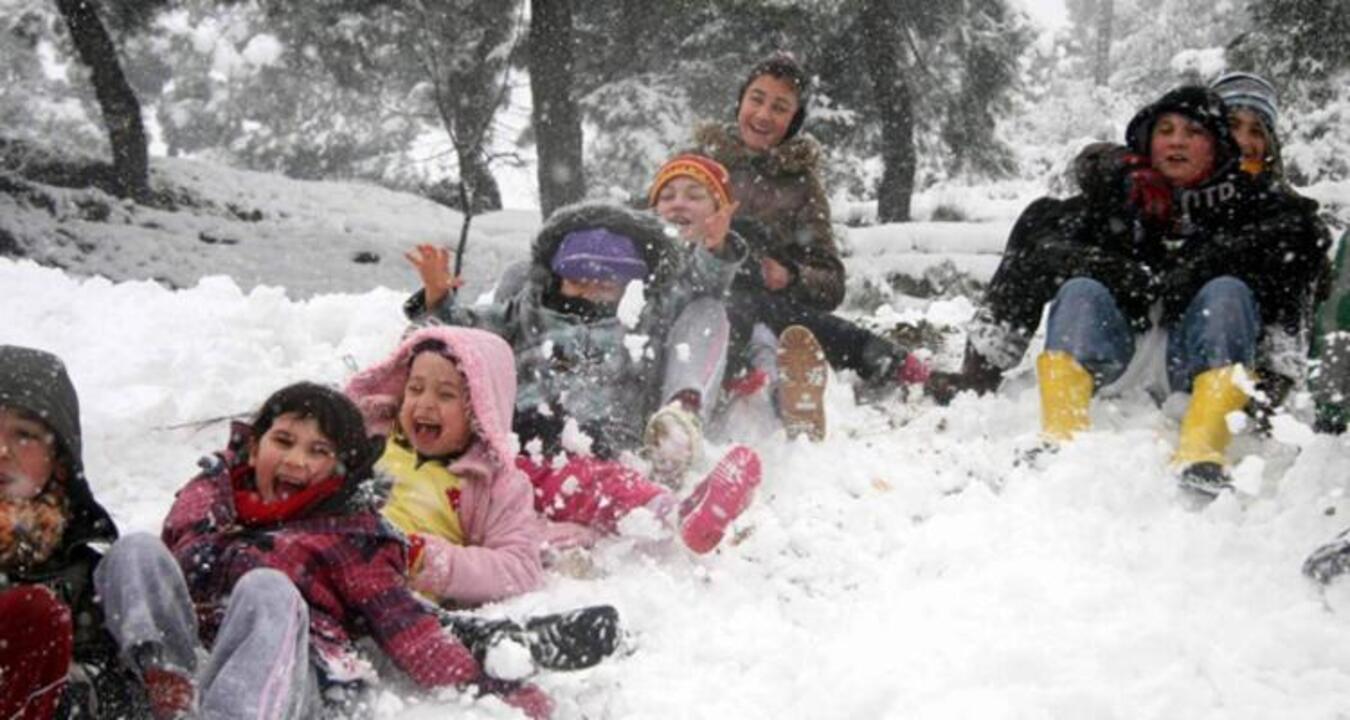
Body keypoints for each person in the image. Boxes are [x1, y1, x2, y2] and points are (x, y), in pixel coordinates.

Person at [93, 382, 561, 719]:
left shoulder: (351, 536)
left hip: (287, 680)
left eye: (318, 451)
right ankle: (166, 689)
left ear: (341, 471)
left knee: (267, 588)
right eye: (283, 441)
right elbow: (155, 582)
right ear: (254, 448)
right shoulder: (209, 495)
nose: (296, 460)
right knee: (134, 549)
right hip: (193, 654)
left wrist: (485, 686)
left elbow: (406, 629)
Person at [1014, 85, 1327, 494]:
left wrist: (1200, 268)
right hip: (1121, 352)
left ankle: (1203, 450)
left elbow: (1303, 237)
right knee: (1080, 293)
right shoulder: (1121, 192)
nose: (1177, 141)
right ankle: (1061, 434)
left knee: (1228, 294)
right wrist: (1118, 270)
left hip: (1194, 361)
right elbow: (1047, 241)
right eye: (1166, 130)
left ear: (1216, 147)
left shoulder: (1250, 202)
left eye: (1193, 133)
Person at [365, 313, 761, 562]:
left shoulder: (493, 470)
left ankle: (675, 513)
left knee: (577, 481)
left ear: (479, 409)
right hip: (344, 552)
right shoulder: (372, 444)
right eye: (414, 390)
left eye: (446, 395)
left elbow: (572, 494)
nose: (425, 405)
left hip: (410, 567)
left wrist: (552, 541)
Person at [692, 54, 928, 437]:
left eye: (779, 107)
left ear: (793, 121)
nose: (763, 114)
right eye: (757, 98)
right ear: (741, 101)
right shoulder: (697, 165)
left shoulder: (800, 186)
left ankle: (791, 394)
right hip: (698, 290)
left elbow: (831, 282)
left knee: (767, 313)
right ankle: (759, 389)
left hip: (770, 304)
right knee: (733, 309)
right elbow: (658, 225)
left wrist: (790, 276)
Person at [0, 345, 140, 720]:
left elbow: (125, 701)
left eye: (24, 435)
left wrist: (69, 690)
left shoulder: (86, 577)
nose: (1, 450)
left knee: (36, 615)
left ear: (60, 461)